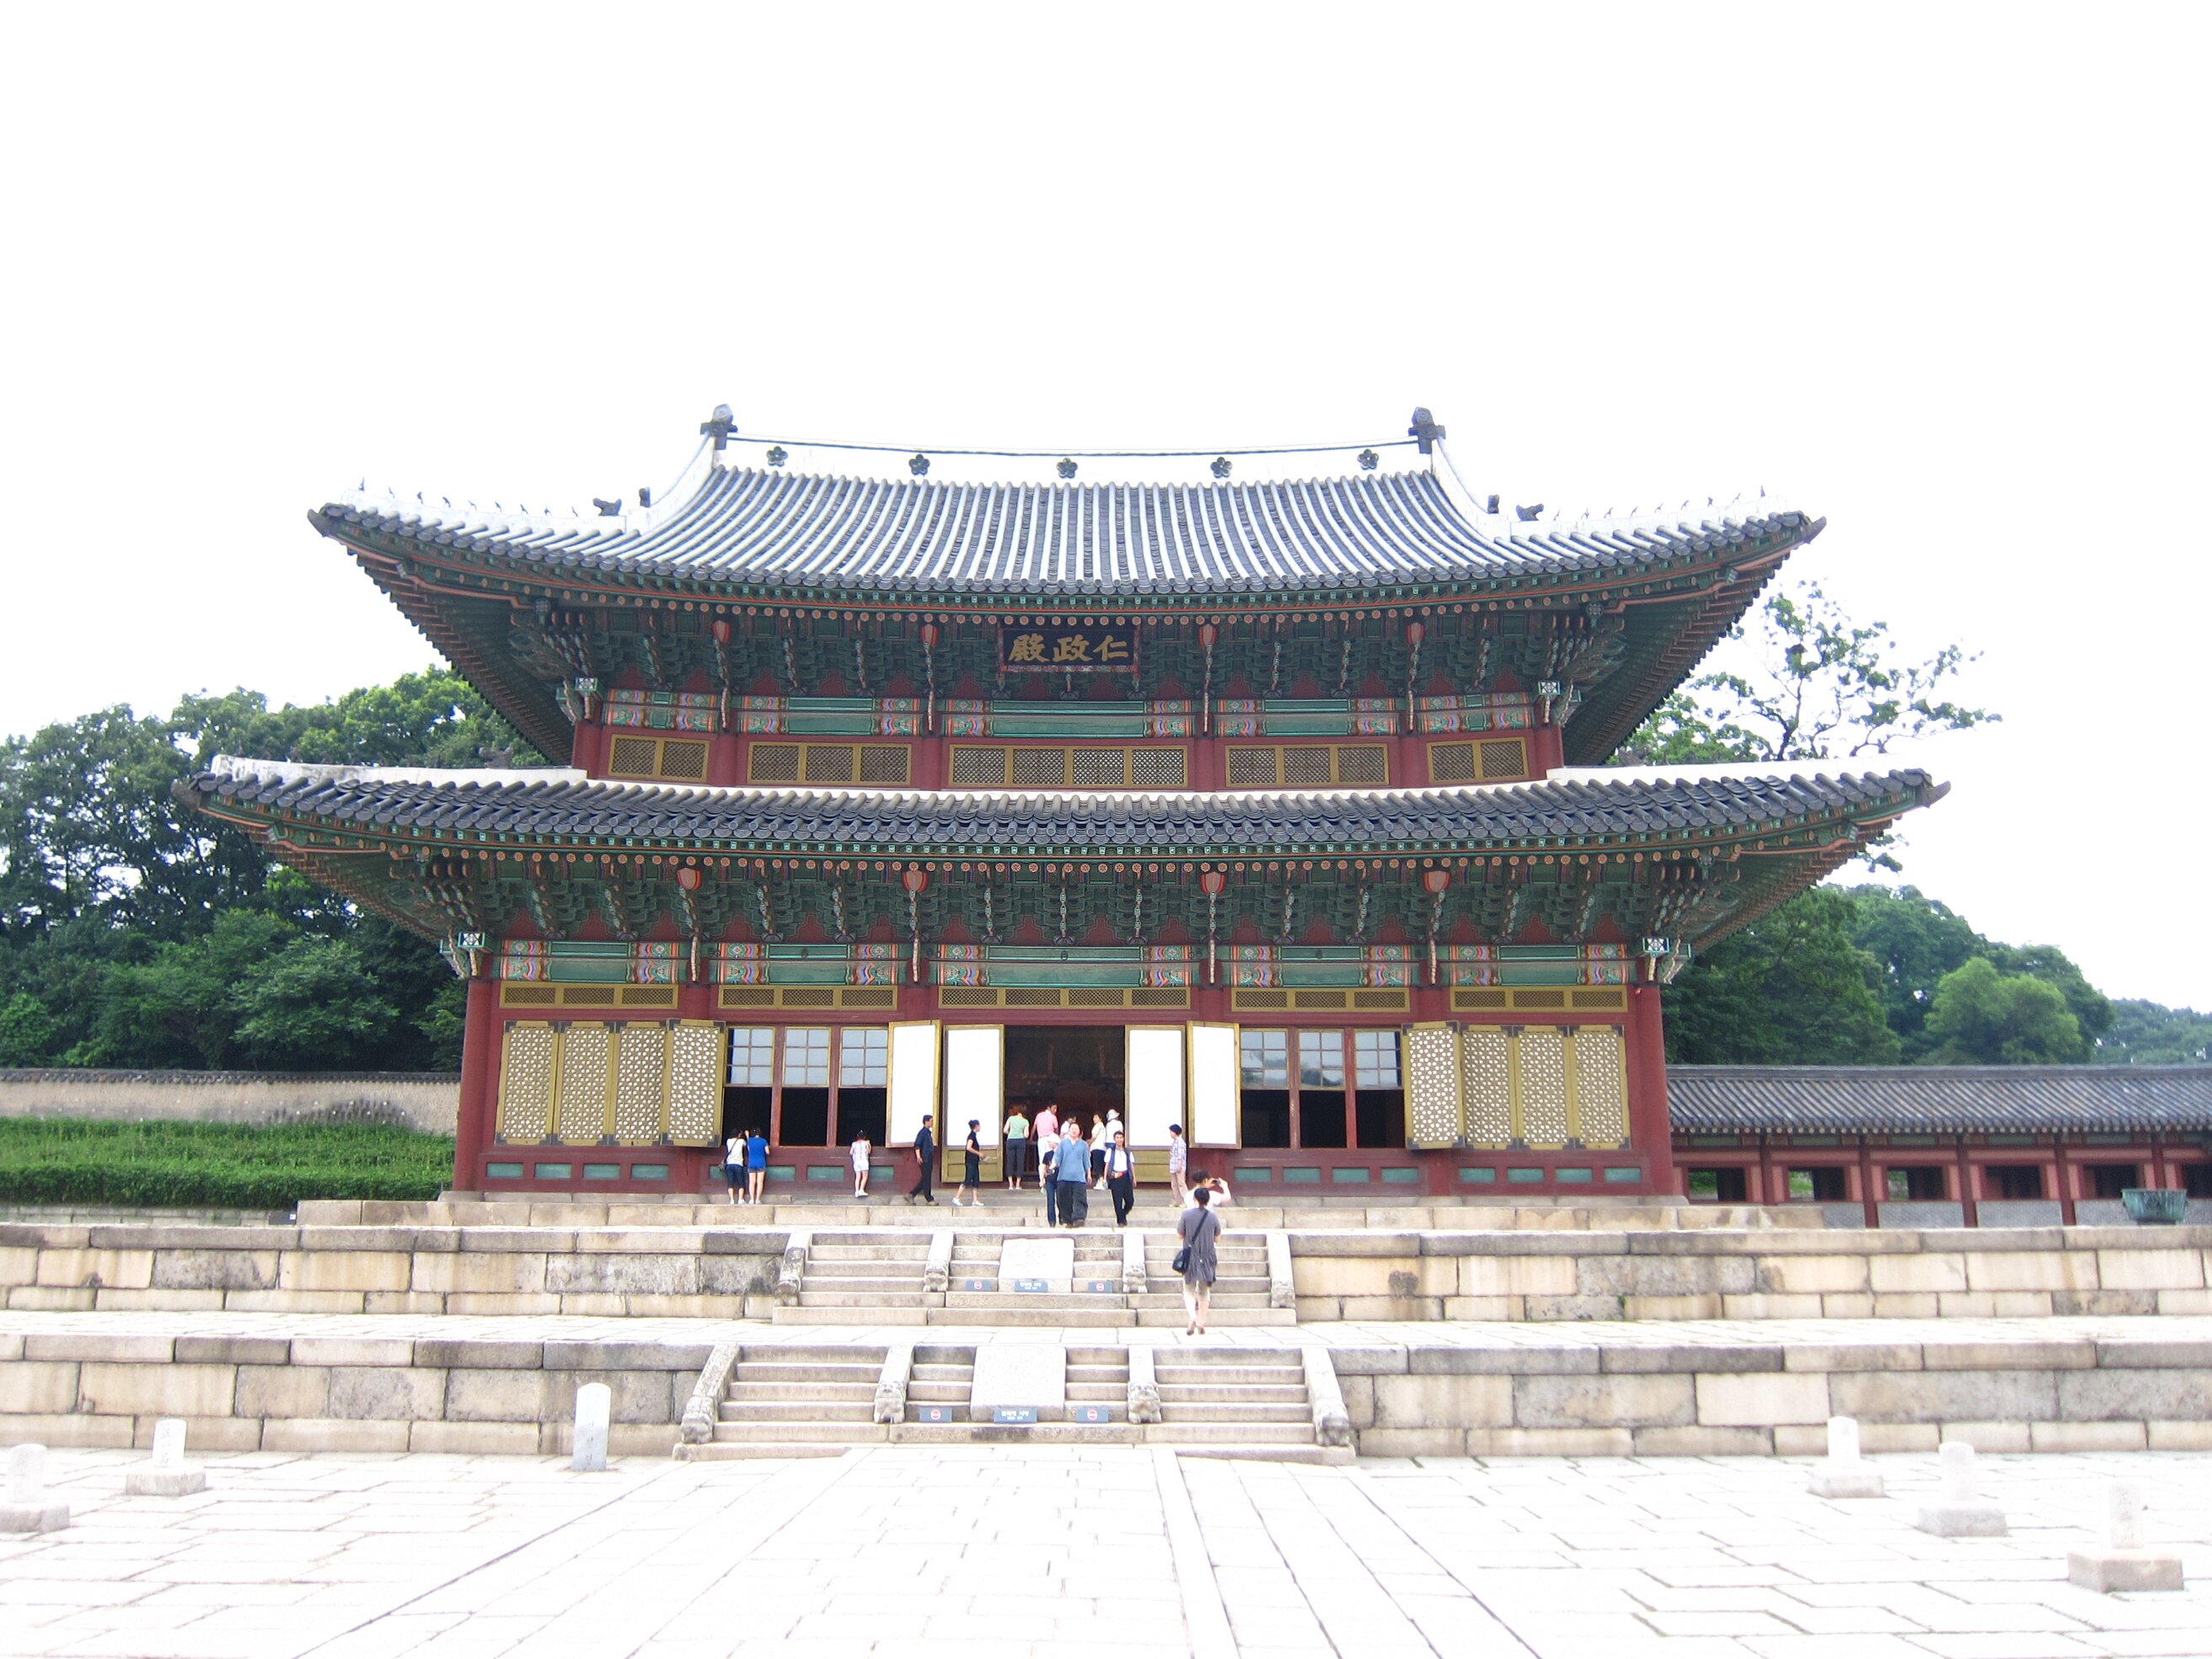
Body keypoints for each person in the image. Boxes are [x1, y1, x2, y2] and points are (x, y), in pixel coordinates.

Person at [1177, 1184, 1222, 1335]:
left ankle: (1193, 1317)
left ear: (1195, 1199)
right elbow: (1217, 1238)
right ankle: (1201, 1322)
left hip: (1191, 1256)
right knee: (1204, 1291)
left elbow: (1180, 1235)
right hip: (1208, 1257)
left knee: (1188, 1289)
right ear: (1208, 1200)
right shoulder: (1212, 1217)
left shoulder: (1186, 1215)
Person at [1058, 1118, 1089, 1227]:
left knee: (1080, 1198)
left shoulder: (1083, 1144)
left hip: (1079, 1176)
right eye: (1072, 1129)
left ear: (1080, 1131)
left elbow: (1086, 1161)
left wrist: (1088, 1173)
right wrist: (1051, 1167)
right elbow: (1057, 1158)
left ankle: (1079, 1218)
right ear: (1069, 1131)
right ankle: (1067, 1220)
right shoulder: (1063, 1144)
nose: (1074, 1131)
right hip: (1064, 1176)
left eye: (1076, 1129)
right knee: (1065, 1200)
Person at [1104, 1130, 1136, 1227]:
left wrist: (1134, 1178)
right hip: (1115, 1177)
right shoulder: (1111, 1151)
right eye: (1117, 1138)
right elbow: (1107, 1165)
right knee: (1117, 1201)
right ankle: (1121, 1221)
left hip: (1126, 1176)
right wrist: (1105, 1178)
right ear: (1114, 1139)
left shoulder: (1127, 1151)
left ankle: (1122, 1215)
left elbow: (1131, 1165)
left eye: (1121, 1138)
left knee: (1130, 1200)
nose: (1119, 1140)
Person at [908, 1114, 937, 1205]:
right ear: (926, 1121)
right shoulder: (923, 1132)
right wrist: (918, 1156)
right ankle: (929, 1199)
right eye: (931, 1121)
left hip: (929, 1158)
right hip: (925, 1159)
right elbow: (917, 1145)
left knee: (925, 1179)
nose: (932, 1123)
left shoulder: (928, 1133)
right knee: (926, 1179)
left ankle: (911, 1195)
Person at [954, 1119, 983, 1208]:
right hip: (970, 1161)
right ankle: (957, 1197)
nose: (980, 1127)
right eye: (979, 1125)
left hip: (974, 1161)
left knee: (976, 1181)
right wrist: (979, 1153)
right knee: (968, 1179)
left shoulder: (974, 1136)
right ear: (976, 1126)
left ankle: (975, 1200)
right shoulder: (971, 1136)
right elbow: (969, 1147)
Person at [1037, 1120, 1061, 1224]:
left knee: (1061, 1200)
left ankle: (1062, 1217)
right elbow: (1043, 1166)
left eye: (1050, 1142)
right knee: (1050, 1200)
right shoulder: (1048, 1154)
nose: (1049, 1143)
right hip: (1050, 1179)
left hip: (1060, 1178)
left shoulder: (1062, 1153)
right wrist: (1042, 1179)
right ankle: (1051, 1221)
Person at [1003, 1105, 1029, 1191]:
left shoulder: (1011, 1119)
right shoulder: (1025, 1121)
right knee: (1020, 1162)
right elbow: (1026, 1135)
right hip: (1020, 1141)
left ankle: (1010, 1184)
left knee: (1010, 1161)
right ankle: (1018, 1184)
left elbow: (1005, 1130)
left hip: (1010, 1140)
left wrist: (1011, 1133)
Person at [1165, 1123, 1189, 1208]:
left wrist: (1179, 1165)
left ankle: (1186, 1201)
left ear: (1175, 1132)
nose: (1170, 1134)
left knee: (1181, 1184)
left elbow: (1180, 1155)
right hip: (1173, 1166)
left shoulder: (1180, 1142)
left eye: (1171, 1132)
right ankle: (1177, 1201)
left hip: (1179, 1167)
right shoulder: (1175, 1142)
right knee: (1174, 1185)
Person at [745, 1127, 769, 1206]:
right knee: (760, 1182)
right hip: (761, 1163)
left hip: (751, 1163)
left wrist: (747, 1136)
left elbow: (749, 1150)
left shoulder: (750, 1141)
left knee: (752, 1182)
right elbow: (767, 1152)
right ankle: (758, 1200)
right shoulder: (763, 1141)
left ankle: (752, 1199)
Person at [722, 1134, 747, 1205]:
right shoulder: (742, 1141)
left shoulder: (728, 1141)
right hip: (738, 1164)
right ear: (739, 1134)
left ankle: (732, 1200)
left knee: (730, 1183)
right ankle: (740, 1199)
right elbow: (746, 1145)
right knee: (741, 1183)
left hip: (729, 1164)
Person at [1088, 1112, 1111, 1189]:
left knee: (1097, 1166)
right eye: (1094, 1117)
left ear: (1100, 1119)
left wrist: (1089, 1143)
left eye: (1096, 1117)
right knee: (1100, 1166)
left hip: (1097, 1147)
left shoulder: (1098, 1125)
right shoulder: (1103, 1127)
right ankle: (1101, 1182)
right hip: (1102, 1148)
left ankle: (1101, 1182)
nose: (1094, 1119)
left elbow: (1094, 1137)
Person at [849, 1132, 872, 1199]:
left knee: (858, 1177)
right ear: (864, 1137)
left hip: (856, 1161)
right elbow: (868, 1151)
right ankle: (861, 1190)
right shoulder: (866, 1143)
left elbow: (851, 1153)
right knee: (864, 1176)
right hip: (864, 1160)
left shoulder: (854, 1144)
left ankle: (857, 1191)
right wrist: (869, 1145)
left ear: (857, 1136)